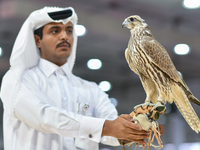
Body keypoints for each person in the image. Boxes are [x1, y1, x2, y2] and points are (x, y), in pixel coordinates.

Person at [0, 6, 150, 150]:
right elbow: (45, 117)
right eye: (55, 31)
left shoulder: (91, 89)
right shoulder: (18, 80)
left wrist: (138, 129)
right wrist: (107, 127)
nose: (64, 36)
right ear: (38, 40)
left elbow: (111, 131)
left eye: (69, 31)